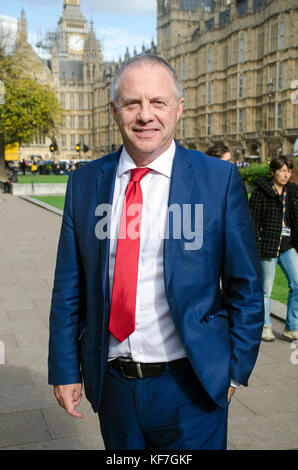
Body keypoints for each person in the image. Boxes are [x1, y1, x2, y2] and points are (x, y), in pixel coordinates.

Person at [48, 55, 263, 450]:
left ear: (179, 108)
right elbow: (68, 290)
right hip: (113, 387)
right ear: (114, 111)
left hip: (193, 388)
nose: (145, 115)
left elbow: (246, 284)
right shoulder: (84, 184)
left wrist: (234, 372)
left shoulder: (218, 180)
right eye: (132, 103)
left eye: (158, 102)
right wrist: (64, 369)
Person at [249, 155, 298, 342]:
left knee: (297, 283)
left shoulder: (292, 192)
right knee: (266, 290)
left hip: (287, 244)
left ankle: (292, 326)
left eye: (289, 171)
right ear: (273, 172)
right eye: (283, 171)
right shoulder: (261, 193)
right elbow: (252, 222)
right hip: (267, 245)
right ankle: (265, 325)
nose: (286, 175)